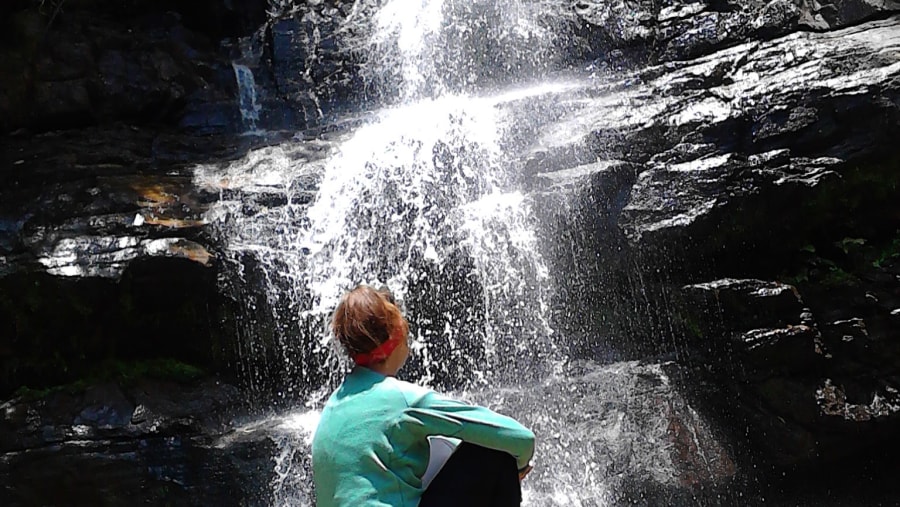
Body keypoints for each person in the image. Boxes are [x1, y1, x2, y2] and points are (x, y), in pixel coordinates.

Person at [312, 285, 535, 506]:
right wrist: (518, 468)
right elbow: (521, 438)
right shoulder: (402, 400)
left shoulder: (333, 406)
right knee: (496, 452)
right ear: (397, 333)